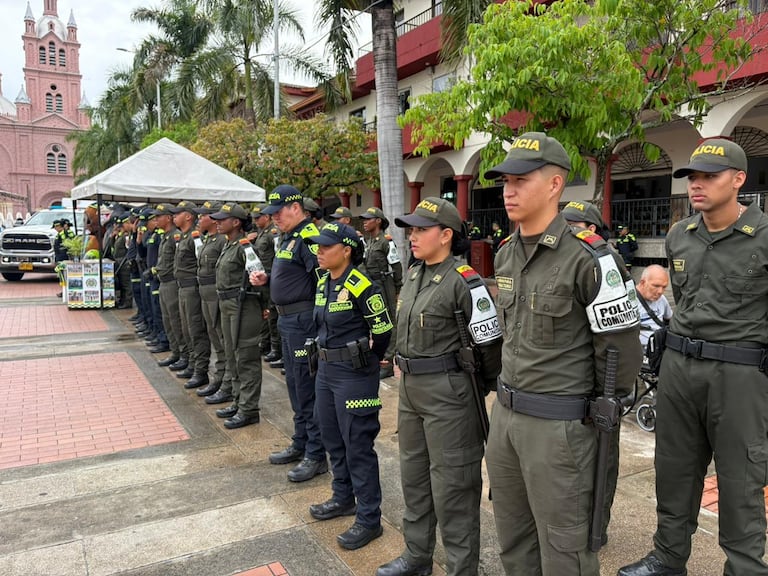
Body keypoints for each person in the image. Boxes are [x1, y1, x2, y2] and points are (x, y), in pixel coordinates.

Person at [483, 132, 641, 576]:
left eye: (521, 180)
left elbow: (620, 353)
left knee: (564, 550)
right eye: (505, 181)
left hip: (560, 428)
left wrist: (585, 413)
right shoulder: (506, 254)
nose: (508, 190)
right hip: (507, 418)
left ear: (555, 184)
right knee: (513, 538)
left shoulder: (590, 257)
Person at [618, 138, 768, 576]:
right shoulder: (679, 236)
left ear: (738, 180)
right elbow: (683, 303)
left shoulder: (763, 236)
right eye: (692, 176)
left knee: (740, 477)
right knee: (674, 468)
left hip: (738, 373)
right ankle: (668, 558)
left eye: (709, 176)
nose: (697, 185)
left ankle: (744, 567)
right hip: (680, 367)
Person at [376, 197, 502, 576]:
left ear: (446, 235)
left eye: (421, 229)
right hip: (412, 390)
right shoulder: (414, 274)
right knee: (414, 478)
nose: (412, 236)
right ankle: (417, 556)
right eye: (411, 230)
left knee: (454, 487)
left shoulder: (465, 281)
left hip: (449, 393)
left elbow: (490, 345)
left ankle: (462, 569)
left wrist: (474, 387)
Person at [304, 222, 393, 551]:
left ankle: (369, 519)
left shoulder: (362, 285)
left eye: (326, 246)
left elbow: (382, 330)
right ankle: (343, 498)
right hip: (326, 371)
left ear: (346, 250)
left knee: (357, 444)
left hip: (354, 374)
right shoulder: (323, 281)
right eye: (318, 246)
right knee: (332, 437)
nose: (319, 251)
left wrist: (369, 361)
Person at [252, 185, 327, 482]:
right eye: (271, 213)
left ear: (296, 207)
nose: (274, 217)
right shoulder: (288, 237)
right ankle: (301, 442)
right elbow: (294, 275)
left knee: (306, 388)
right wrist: (269, 278)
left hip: (302, 321)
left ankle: (316, 454)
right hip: (286, 320)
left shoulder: (308, 237)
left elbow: (323, 281)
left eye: (278, 212)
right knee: (295, 386)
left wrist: (319, 325)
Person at [210, 202, 264, 429]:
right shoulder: (227, 245)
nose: (217, 222)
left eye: (222, 219)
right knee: (232, 355)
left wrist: (264, 307)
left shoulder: (245, 247)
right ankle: (238, 400)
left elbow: (259, 277)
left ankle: (249, 409)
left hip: (243, 305)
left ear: (236, 222)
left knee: (246, 357)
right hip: (226, 304)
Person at [194, 201, 233, 400]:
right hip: (204, 292)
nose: (200, 218)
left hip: (216, 293)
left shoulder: (221, 241)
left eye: (204, 215)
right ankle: (220, 378)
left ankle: (224, 381)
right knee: (214, 336)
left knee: (222, 339)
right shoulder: (208, 239)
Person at [171, 201, 211, 388]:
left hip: (192, 289)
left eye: (177, 213)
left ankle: (200, 371)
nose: (174, 216)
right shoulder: (184, 236)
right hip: (182, 288)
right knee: (186, 329)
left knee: (196, 330)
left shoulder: (195, 237)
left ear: (188, 216)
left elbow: (201, 262)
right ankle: (193, 364)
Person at [360, 206, 402, 379]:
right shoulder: (369, 241)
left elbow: (396, 265)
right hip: (372, 284)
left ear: (378, 221)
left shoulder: (386, 241)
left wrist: (398, 288)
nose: (364, 222)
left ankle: (388, 361)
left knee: (389, 321)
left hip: (385, 284)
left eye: (368, 219)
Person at [153, 203, 189, 373]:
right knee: (168, 320)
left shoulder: (176, 236)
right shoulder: (166, 236)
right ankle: (175, 352)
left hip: (173, 283)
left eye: (159, 216)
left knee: (176, 321)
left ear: (168, 218)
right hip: (163, 282)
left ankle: (184, 354)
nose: (156, 220)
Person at [248, 205, 282, 364]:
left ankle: (276, 348)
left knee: (272, 314)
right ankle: (266, 343)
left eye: (258, 217)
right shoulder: (261, 233)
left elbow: (277, 254)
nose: (255, 221)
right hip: (262, 277)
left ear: (266, 217)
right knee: (265, 313)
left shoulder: (273, 233)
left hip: (271, 277)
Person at [635, 265, 673, 349]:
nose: (660, 291)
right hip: (639, 350)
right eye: (656, 286)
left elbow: (671, 320)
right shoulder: (629, 300)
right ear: (642, 283)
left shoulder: (662, 299)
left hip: (659, 347)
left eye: (664, 287)